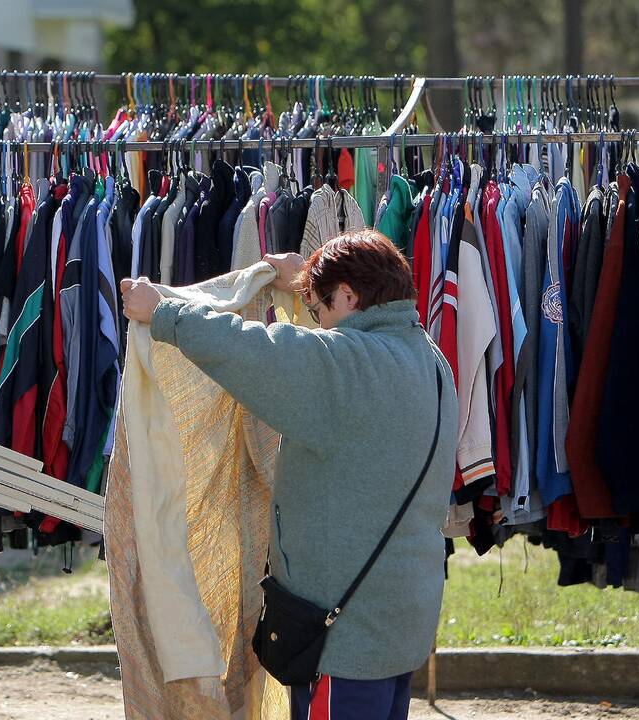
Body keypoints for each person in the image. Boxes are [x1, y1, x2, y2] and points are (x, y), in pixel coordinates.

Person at [120, 229, 458, 720]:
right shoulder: (428, 359)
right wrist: (305, 279)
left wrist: (165, 313)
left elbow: (254, 349)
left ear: (349, 295)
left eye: (321, 309)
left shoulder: (349, 364)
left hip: (344, 638)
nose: (319, 322)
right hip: (400, 618)